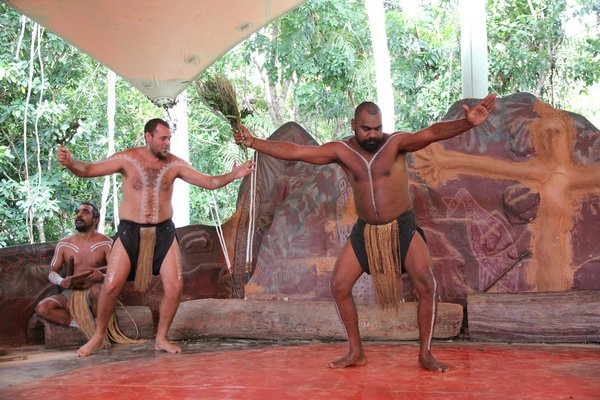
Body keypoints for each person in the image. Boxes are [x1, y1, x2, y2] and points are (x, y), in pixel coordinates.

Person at [234, 94, 497, 372]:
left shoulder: (396, 144)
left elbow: (432, 133)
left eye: (377, 128)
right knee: (339, 286)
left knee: (427, 285)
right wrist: (254, 142)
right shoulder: (342, 151)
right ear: (353, 125)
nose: (373, 135)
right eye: (366, 129)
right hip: (367, 230)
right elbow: (297, 152)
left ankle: (425, 354)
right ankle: (356, 351)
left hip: (402, 226)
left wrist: (467, 123)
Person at [57, 118, 255, 357]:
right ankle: (98, 336)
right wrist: (71, 163)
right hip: (130, 232)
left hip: (163, 232)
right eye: (163, 138)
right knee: (110, 286)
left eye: (169, 138)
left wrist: (233, 175)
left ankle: (161, 338)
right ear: (148, 137)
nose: (167, 143)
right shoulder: (127, 159)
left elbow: (208, 182)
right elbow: (88, 170)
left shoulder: (175, 164)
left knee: (175, 286)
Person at [35, 202, 111, 332]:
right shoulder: (64, 244)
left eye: (85, 212)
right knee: (42, 308)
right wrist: (61, 281)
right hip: (71, 294)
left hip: (97, 293)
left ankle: (99, 329)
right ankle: (82, 325)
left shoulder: (106, 243)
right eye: (77, 212)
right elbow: (52, 272)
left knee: (97, 290)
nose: (79, 215)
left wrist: (103, 276)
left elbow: (117, 271)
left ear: (96, 220)